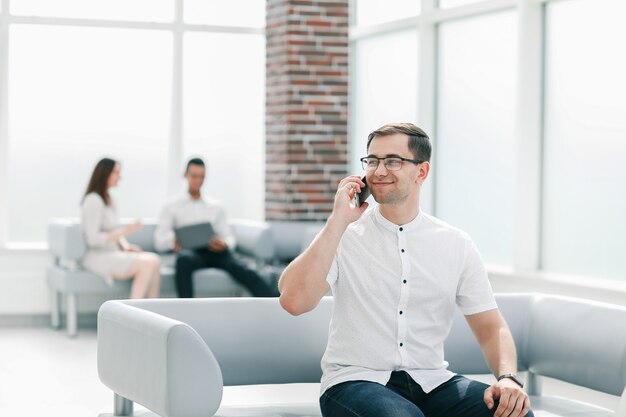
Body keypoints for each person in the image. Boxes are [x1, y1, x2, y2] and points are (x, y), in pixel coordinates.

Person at [278, 123, 533, 417]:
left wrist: (508, 378)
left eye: (393, 161)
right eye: (372, 161)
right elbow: (293, 301)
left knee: (515, 413)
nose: (379, 170)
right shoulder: (343, 235)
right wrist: (337, 220)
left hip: (432, 381)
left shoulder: (455, 243)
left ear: (421, 172)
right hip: (354, 382)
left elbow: (491, 326)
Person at [153, 157, 276, 298]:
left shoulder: (216, 207)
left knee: (242, 268)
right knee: (183, 261)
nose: (198, 181)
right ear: (185, 175)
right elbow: (159, 241)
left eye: (201, 177)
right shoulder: (171, 206)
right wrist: (173, 242)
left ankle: (273, 301)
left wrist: (224, 244)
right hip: (191, 254)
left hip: (215, 252)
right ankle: (187, 310)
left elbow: (229, 237)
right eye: (194, 176)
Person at [81, 158, 161, 299]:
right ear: (105, 174)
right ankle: (133, 315)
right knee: (147, 264)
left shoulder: (110, 199)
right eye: (116, 173)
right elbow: (92, 240)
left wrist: (126, 247)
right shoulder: (93, 200)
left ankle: (151, 313)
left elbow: (114, 232)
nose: (120, 177)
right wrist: (125, 231)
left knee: (155, 260)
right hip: (98, 257)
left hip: (114, 252)